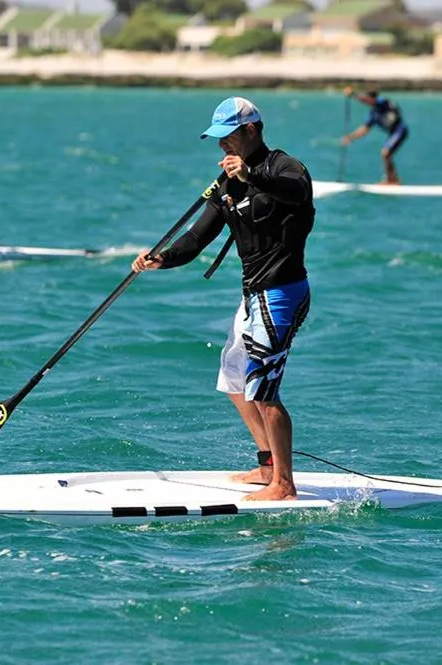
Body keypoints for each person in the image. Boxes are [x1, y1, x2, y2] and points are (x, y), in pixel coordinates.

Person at [131, 97, 314, 501]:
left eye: (227, 138)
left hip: (282, 291)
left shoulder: (284, 168)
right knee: (234, 377)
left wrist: (252, 176)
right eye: (217, 141)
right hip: (253, 295)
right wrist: (161, 259)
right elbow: (197, 238)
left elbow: (295, 194)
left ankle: (284, 485)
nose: (221, 148)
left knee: (264, 389)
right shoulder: (227, 184)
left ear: (251, 131)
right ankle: (268, 467)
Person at [340, 86, 409, 185]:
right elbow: (364, 130)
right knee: (386, 155)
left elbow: (365, 100)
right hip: (393, 133)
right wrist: (350, 137)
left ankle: (391, 180)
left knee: (385, 153)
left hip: (400, 131)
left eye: (368, 99)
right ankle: (393, 179)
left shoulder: (383, 102)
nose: (366, 102)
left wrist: (352, 94)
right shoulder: (373, 114)